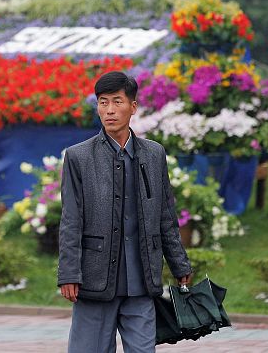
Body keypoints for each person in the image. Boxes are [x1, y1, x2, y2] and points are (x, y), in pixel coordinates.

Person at [58, 71, 192, 353]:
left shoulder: (154, 154)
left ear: (133, 107)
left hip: (141, 281)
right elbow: (71, 219)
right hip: (95, 281)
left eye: (117, 102)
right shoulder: (78, 157)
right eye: (102, 102)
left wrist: (179, 264)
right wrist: (69, 273)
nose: (109, 110)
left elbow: (166, 215)